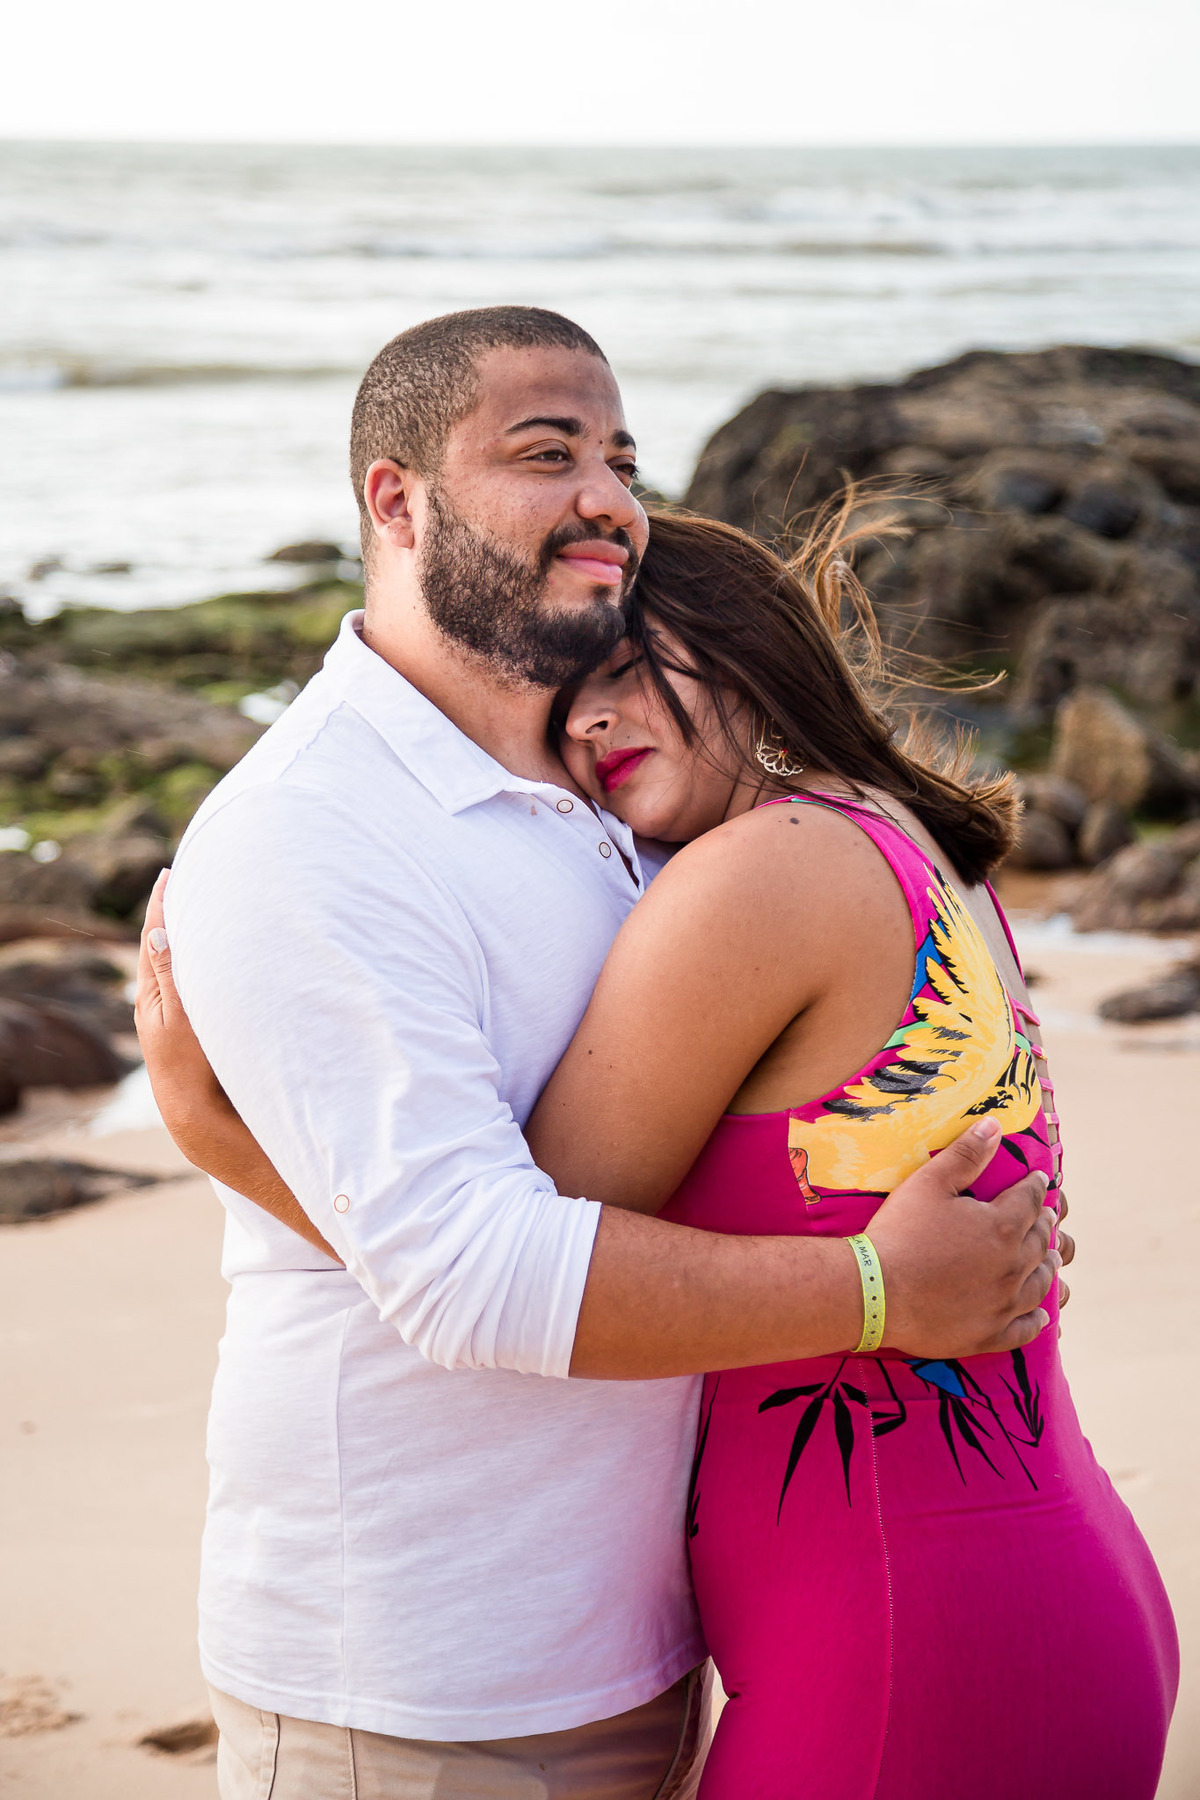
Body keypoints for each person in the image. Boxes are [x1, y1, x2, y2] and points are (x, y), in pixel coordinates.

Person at [136, 306, 1064, 1800]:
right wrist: (882, 1288)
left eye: (623, 458)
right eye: (545, 451)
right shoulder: (309, 832)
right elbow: (463, 1265)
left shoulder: (619, 806)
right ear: (396, 499)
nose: (609, 497)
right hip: (421, 1677)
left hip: (643, 1647)